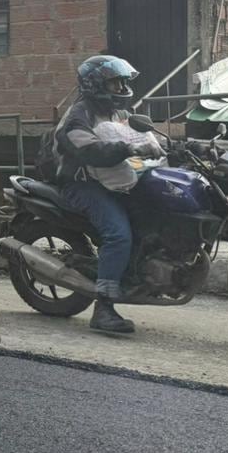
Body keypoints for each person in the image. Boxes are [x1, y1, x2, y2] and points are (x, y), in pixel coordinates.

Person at [53, 55, 156, 336]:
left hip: (113, 178)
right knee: (118, 234)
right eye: (115, 83)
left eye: (124, 82)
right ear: (96, 85)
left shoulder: (119, 112)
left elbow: (139, 137)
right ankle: (104, 308)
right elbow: (90, 151)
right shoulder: (78, 117)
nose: (122, 88)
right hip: (81, 183)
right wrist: (128, 149)